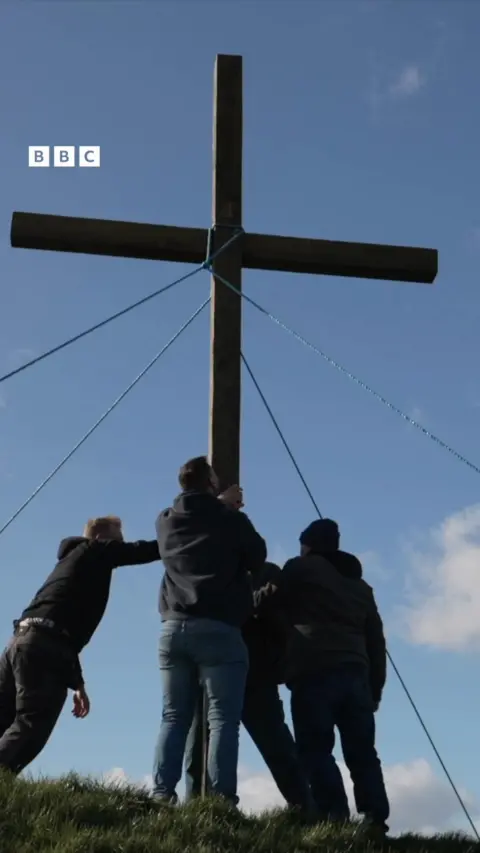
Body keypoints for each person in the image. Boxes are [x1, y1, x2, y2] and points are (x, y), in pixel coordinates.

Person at [254, 518, 390, 833]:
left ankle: (334, 817)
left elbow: (268, 599)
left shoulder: (300, 569)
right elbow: (376, 639)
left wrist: (249, 600)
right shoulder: (360, 586)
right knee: (362, 752)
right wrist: (375, 690)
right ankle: (374, 819)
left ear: (308, 545)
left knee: (315, 748)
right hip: (357, 674)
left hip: (314, 669)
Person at [0, 515, 160, 775]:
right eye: (117, 542)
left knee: (5, 719)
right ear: (100, 538)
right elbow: (144, 550)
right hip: (43, 647)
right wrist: (184, 533)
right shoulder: (93, 551)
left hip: (20, 643)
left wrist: (77, 682)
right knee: (31, 725)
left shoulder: (71, 562)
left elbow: (59, 623)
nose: (119, 547)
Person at [152, 456, 267, 805]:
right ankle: (220, 800)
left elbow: (197, 520)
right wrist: (229, 509)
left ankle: (161, 794)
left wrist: (220, 506)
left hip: (173, 628)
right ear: (211, 483)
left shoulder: (165, 521)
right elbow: (257, 555)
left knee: (173, 717)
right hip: (219, 628)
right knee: (223, 721)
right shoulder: (231, 520)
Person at [184, 561, 315, 816]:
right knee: (202, 741)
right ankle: (199, 808)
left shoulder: (261, 572)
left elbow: (272, 610)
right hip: (224, 669)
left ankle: (305, 807)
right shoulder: (216, 572)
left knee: (274, 744)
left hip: (252, 671)